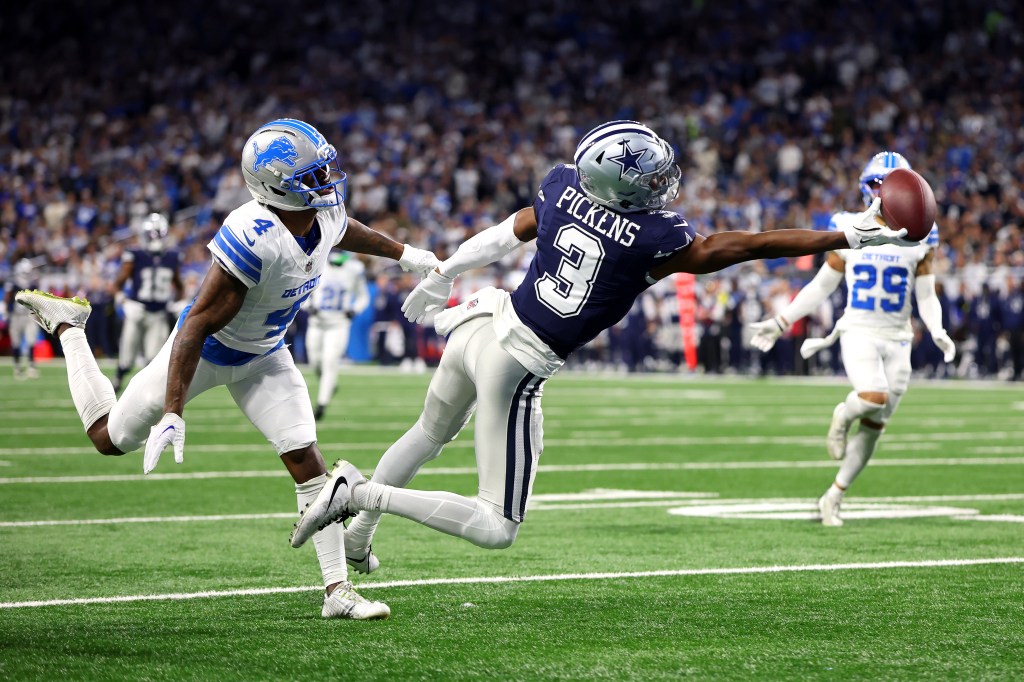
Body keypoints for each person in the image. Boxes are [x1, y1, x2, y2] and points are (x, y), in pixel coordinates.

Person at [287, 120, 911, 570]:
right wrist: (845, 238)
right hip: (518, 362)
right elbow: (742, 245)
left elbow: (504, 236)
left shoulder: (562, 186)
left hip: (480, 323)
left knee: (428, 432)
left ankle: (361, 539)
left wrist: (443, 273)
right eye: (654, 177)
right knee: (496, 526)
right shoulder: (651, 237)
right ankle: (359, 495)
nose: (665, 186)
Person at [16, 118, 439, 619]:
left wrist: (405, 254)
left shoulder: (322, 215)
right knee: (109, 439)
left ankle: (337, 592)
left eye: (324, 169)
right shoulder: (252, 234)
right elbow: (194, 324)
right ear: (274, 186)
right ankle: (70, 328)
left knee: (308, 462)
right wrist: (173, 410)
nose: (326, 182)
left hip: (265, 355)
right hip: (205, 355)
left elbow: (345, 231)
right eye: (312, 174)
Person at [747, 151, 955, 526]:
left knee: (875, 428)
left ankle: (833, 497)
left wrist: (937, 329)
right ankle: (842, 414)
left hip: (899, 337)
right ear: (866, 188)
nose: (884, 191)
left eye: (892, 183)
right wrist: (782, 320)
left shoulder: (924, 235)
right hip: (858, 330)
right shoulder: (850, 225)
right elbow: (823, 285)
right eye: (879, 183)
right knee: (872, 398)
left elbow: (926, 293)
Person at [113, 213, 184, 393]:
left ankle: (145, 393)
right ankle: (118, 378)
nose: (155, 239)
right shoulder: (135, 254)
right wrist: (124, 301)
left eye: (158, 234)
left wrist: (179, 302)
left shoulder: (172, 256)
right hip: (138, 310)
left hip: (159, 313)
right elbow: (116, 285)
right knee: (127, 357)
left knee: (153, 359)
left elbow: (179, 285)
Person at [304, 250, 370, 421]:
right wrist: (307, 305)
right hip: (316, 323)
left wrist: (354, 310)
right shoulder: (316, 263)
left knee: (330, 362)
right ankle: (329, 386)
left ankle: (321, 404)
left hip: (339, 324)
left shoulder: (355, 269)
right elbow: (303, 290)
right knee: (315, 363)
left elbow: (363, 297)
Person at [4, 259, 40, 380]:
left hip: (29, 315)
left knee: (31, 341)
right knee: (16, 342)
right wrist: (6, 312)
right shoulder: (13, 283)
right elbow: (7, 298)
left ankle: (31, 365)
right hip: (16, 315)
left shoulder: (33, 284)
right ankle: (17, 367)